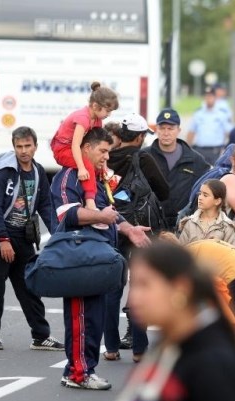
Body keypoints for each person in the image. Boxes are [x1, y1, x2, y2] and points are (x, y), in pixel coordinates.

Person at [51, 127, 151, 390]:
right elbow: (68, 215)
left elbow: (111, 213)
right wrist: (101, 217)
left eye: (109, 151)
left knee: (93, 318)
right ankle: (76, 373)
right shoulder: (68, 177)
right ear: (86, 149)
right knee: (80, 318)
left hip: (98, 260)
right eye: (103, 151)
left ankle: (85, 369)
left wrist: (129, 228)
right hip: (78, 259)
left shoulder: (94, 179)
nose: (107, 156)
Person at [113, 242, 235, 401]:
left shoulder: (213, 364)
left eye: (144, 285)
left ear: (181, 288)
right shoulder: (172, 344)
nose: (133, 299)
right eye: (133, 285)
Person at [0, 126, 63, 351]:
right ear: (14, 147)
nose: (24, 151)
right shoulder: (3, 171)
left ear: (35, 146)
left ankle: (41, 335)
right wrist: (3, 239)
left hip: (23, 238)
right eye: (19, 146)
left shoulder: (37, 171)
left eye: (28, 146)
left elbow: (45, 205)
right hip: (0, 237)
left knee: (29, 286)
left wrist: (59, 233)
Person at [104, 113, 170, 363]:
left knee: (112, 286)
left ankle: (110, 347)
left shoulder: (106, 157)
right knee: (140, 285)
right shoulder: (143, 157)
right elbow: (164, 191)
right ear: (140, 136)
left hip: (112, 225)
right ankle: (140, 349)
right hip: (141, 229)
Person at [50, 81, 119, 219]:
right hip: (62, 149)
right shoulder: (83, 118)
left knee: (98, 170)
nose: (109, 114)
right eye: (107, 110)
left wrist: (104, 169)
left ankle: (101, 197)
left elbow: (97, 142)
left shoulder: (97, 120)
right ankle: (90, 202)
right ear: (95, 106)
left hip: (73, 148)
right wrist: (81, 168)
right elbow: (75, 145)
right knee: (87, 164)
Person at [144, 108, 210, 231]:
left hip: (184, 225)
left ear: (178, 130)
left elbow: (208, 188)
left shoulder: (195, 159)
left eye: (170, 128)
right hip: (151, 224)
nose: (166, 133)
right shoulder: (144, 157)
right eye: (162, 128)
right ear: (156, 129)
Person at [178, 179, 235, 245]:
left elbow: (231, 252)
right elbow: (181, 250)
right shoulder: (190, 223)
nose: (200, 198)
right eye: (200, 194)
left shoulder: (227, 227)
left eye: (205, 195)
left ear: (217, 201)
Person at [186, 86, 232, 166]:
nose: (209, 98)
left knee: (215, 176)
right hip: (200, 151)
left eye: (211, 96)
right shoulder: (198, 113)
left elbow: (228, 133)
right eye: (207, 96)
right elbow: (191, 132)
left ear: (215, 98)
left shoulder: (221, 114)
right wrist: (187, 150)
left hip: (216, 151)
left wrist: (227, 150)